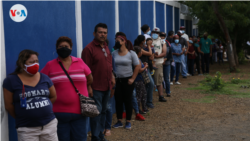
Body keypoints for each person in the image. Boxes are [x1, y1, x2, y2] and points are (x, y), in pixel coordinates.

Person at [41, 36, 93, 141]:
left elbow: (90, 78)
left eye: (66, 46)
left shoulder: (80, 62)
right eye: (61, 46)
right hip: (59, 113)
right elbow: (41, 82)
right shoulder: (50, 65)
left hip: (81, 112)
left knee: (80, 138)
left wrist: (87, 87)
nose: (63, 48)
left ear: (71, 48)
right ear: (56, 49)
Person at [3, 50, 58, 141]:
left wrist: (42, 107)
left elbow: (53, 96)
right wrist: (23, 115)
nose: (35, 64)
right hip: (27, 129)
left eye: (37, 61)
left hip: (49, 125)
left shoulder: (44, 78)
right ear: (21, 64)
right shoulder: (11, 81)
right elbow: (8, 105)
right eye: (31, 62)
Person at [81, 23, 115, 141]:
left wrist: (112, 78)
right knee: (96, 113)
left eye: (105, 33)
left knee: (104, 111)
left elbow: (109, 65)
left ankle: (100, 134)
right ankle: (95, 137)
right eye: (100, 32)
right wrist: (89, 87)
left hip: (107, 86)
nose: (103, 35)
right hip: (96, 88)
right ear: (94, 33)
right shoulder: (88, 49)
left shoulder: (105, 46)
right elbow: (85, 71)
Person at [112, 32, 140, 130]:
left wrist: (133, 78)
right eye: (115, 41)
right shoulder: (114, 53)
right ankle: (119, 121)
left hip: (128, 80)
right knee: (118, 101)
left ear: (123, 41)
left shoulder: (131, 53)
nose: (116, 42)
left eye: (118, 41)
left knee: (128, 101)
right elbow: (111, 66)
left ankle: (128, 121)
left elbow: (137, 66)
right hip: (117, 80)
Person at [151, 27, 167, 102]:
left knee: (159, 80)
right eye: (154, 32)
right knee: (149, 81)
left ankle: (161, 96)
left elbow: (164, 52)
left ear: (159, 34)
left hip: (158, 63)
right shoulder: (149, 40)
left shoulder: (162, 41)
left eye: (157, 33)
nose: (155, 34)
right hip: (149, 63)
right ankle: (148, 98)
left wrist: (156, 56)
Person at [134, 46, 149, 115]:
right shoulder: (138, 60)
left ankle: (143, 108)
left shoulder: (135, 59)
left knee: (142, 94)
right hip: (138, 79)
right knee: (140, 95)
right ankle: (138, 109)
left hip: (137, 79)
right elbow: (139, 70)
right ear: (139, 53)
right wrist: (145, 67)